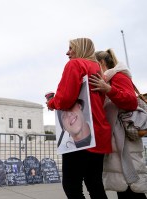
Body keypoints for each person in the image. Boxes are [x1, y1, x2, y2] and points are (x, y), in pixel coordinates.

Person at [46, 38, 112, 199]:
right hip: (99, 131)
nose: (67, 52)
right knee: (94, 183)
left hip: (81, 136)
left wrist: (52, 102)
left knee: (71, 185)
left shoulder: (75, 64)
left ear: (81, 49)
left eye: (71, 48)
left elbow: (66, 99)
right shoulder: (97, 68)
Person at [89, 49, 147, 199]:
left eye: (93, 64)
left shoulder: (119, 76)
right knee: (123, 186)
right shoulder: (108, 79)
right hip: (117, 137)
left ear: (101, 63)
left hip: (125, 138)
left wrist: (108, 89)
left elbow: (131, 101)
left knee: (132, 187)